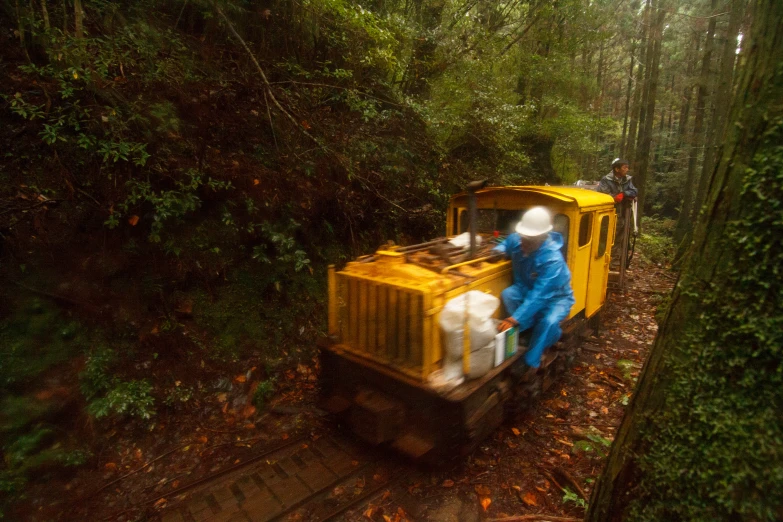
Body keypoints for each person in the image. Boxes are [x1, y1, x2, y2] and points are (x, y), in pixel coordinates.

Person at [492, 207, 575, 370]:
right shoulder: (518, 240)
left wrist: (513, 319)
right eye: (523, 238)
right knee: (508, 293)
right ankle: (527, 329)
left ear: (542, 237)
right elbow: (507, 243)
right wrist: (498, 251)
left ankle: (531, 361)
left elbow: (540, 295)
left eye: (529, 240)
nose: (523, 243)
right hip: (527, 289)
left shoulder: (553, 261)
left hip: (556, 298)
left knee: (548, 321)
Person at [597, 158, 638, 265]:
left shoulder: (627, 179)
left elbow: (634, 191)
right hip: (608, 214)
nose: (627, 169)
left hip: (622, 214)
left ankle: (613, 262)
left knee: (618, 238)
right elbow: (602, 194)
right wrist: (614, 198)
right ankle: (601, 260)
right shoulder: (606, 180)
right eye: (625, 167)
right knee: (605, 236)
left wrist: (624, 193)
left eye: (627, 167)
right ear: (617, 169)